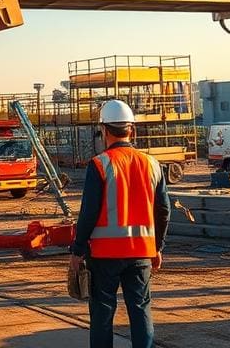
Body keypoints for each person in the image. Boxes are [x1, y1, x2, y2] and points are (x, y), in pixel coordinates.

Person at [69, 100, 171, 348]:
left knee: (103, 313)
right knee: (140, 310)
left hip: (105, 256)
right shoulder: (152, 164)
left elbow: (89, 213)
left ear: (104, 131)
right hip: (141, 254)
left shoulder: (100, 164)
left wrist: (77, 250)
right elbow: (164, 211)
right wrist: (157, 247)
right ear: (132, 130)